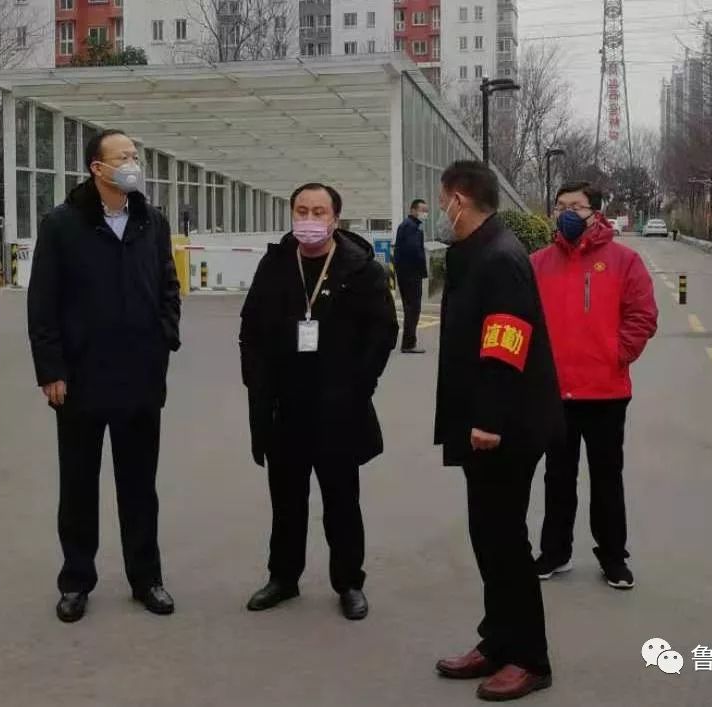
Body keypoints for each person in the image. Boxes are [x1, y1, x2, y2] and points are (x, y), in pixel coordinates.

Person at [27, 129, 181, 623]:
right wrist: (51, 369)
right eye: (124, 156)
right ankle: (76, 580)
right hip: (80, 378)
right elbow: (43, 302)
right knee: (78, 485)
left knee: (140, 486)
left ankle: (146, 578)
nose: (133, 163)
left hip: (140, 375)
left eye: (136, 155)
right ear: (98, 167)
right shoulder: (62, 224)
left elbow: (168, 285)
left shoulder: (151, 221)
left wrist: (165, 337)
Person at [433, 161, 563, 702]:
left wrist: (488, 420)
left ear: (459, 200)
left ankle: (529, 658)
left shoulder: (500, 257)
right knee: (487, 537)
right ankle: (498, 640)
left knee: (506, 542)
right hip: (483, 423)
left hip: (505, 428)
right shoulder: (476, 252)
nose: (440, 209)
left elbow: (506, 341)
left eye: (442, 199)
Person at [239, 183, 398, 621]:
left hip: (338, 409)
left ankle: (349, 582)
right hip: (284, 408)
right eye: (302, 210)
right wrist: (257, 383)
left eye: (319, 212)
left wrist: (358, 387)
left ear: (335, 219)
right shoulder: (275, 264)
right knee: (286, 502)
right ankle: (283, 577)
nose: (309, 219)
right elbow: (250, 329)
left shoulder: (360, 269)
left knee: (341, 502)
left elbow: (382, 333)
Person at [531, 181, 658, 590]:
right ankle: (555, 552)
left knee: (606, 479)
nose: (566, 214)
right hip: (555, 394)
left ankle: (613, 558)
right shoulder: (538, 264)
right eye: (560, 206)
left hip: (606, 393)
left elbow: (642, 315)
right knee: (557, 478)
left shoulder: (624, 261)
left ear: (596, 213)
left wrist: (616, 354)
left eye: (576, 206)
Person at [393, 198, 429, 354]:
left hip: (407, 273)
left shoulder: (409, 226)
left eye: (426, 211)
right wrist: (420, 269)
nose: (425, 213)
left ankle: (408, 342)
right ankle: (409, 344)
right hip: (410, 274)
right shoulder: (410, 227)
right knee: (413, 309)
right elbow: (413, 251)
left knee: (411, 308)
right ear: (413, 210)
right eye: (422, 210)